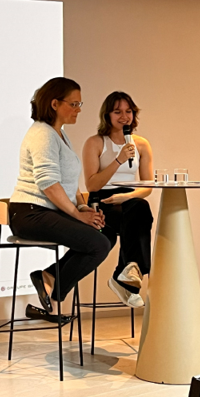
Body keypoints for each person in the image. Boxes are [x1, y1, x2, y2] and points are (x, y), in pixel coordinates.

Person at [8, 77, 111, 314]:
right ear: (54, 104)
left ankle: (50, 285)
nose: (78, 110)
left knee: (98, 238)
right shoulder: (42, 134)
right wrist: (77, 214)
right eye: (73, 104)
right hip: (30, 214)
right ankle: (52, 287)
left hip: (44, 211)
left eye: (80, 104)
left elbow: (68, 181)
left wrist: (83, 208)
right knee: (98, 244)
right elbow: (48, 183)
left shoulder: (59, 134)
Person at [82, 92, 154, 308]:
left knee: (140, 207)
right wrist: (118, 159)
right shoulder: (95, 143)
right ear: (107, 115)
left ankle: (126, 275)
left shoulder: (141, 144)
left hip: (130, 199)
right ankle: (127, 280)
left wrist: (127, 196)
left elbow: (148, 185)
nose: (124, 117)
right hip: (103, 200)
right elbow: (92, 185)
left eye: (128, 111)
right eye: (117, 112)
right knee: (139, 217)